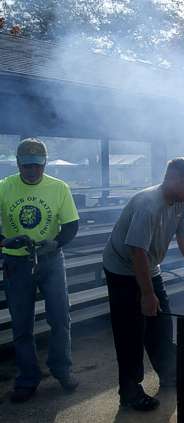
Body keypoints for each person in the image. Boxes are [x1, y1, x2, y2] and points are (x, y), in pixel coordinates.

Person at [102, 157, 184, 411]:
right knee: (131, 332)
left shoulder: (179, 202)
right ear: (173, 179)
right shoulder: (147, 205)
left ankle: (168, 374)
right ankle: (129, 392)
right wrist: (146, 294)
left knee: (160, 323)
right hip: (122, 270)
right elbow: (137, 251)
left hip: (149, 267)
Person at [0, 138, 80, 403]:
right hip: (16, 261)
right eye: (26, 166)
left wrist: (56, 242)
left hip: (50, 260)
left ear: (44, 163)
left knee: (60, 319)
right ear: (18, 164)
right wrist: (4, 240)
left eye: (36, 166)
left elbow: (71, 225)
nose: (32, 171)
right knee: (22, 324)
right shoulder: (4, 187)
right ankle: (27, 378)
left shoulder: (59, 188)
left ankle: (62, 369)